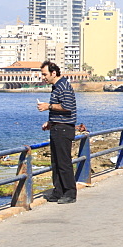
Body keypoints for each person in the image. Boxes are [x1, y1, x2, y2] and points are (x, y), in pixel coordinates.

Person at [36, 60, 77, 204]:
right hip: (57, 127)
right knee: (56, 161)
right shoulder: (57, 86)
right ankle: (58, 191)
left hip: (64, 129)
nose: (43, 77)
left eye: (44, 74)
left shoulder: (63, 86)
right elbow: (61, 109)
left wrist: (48, 106)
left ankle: (70, 193)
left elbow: (67, 107)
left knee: (64, 162)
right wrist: (51, 122)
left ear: (54, 73)